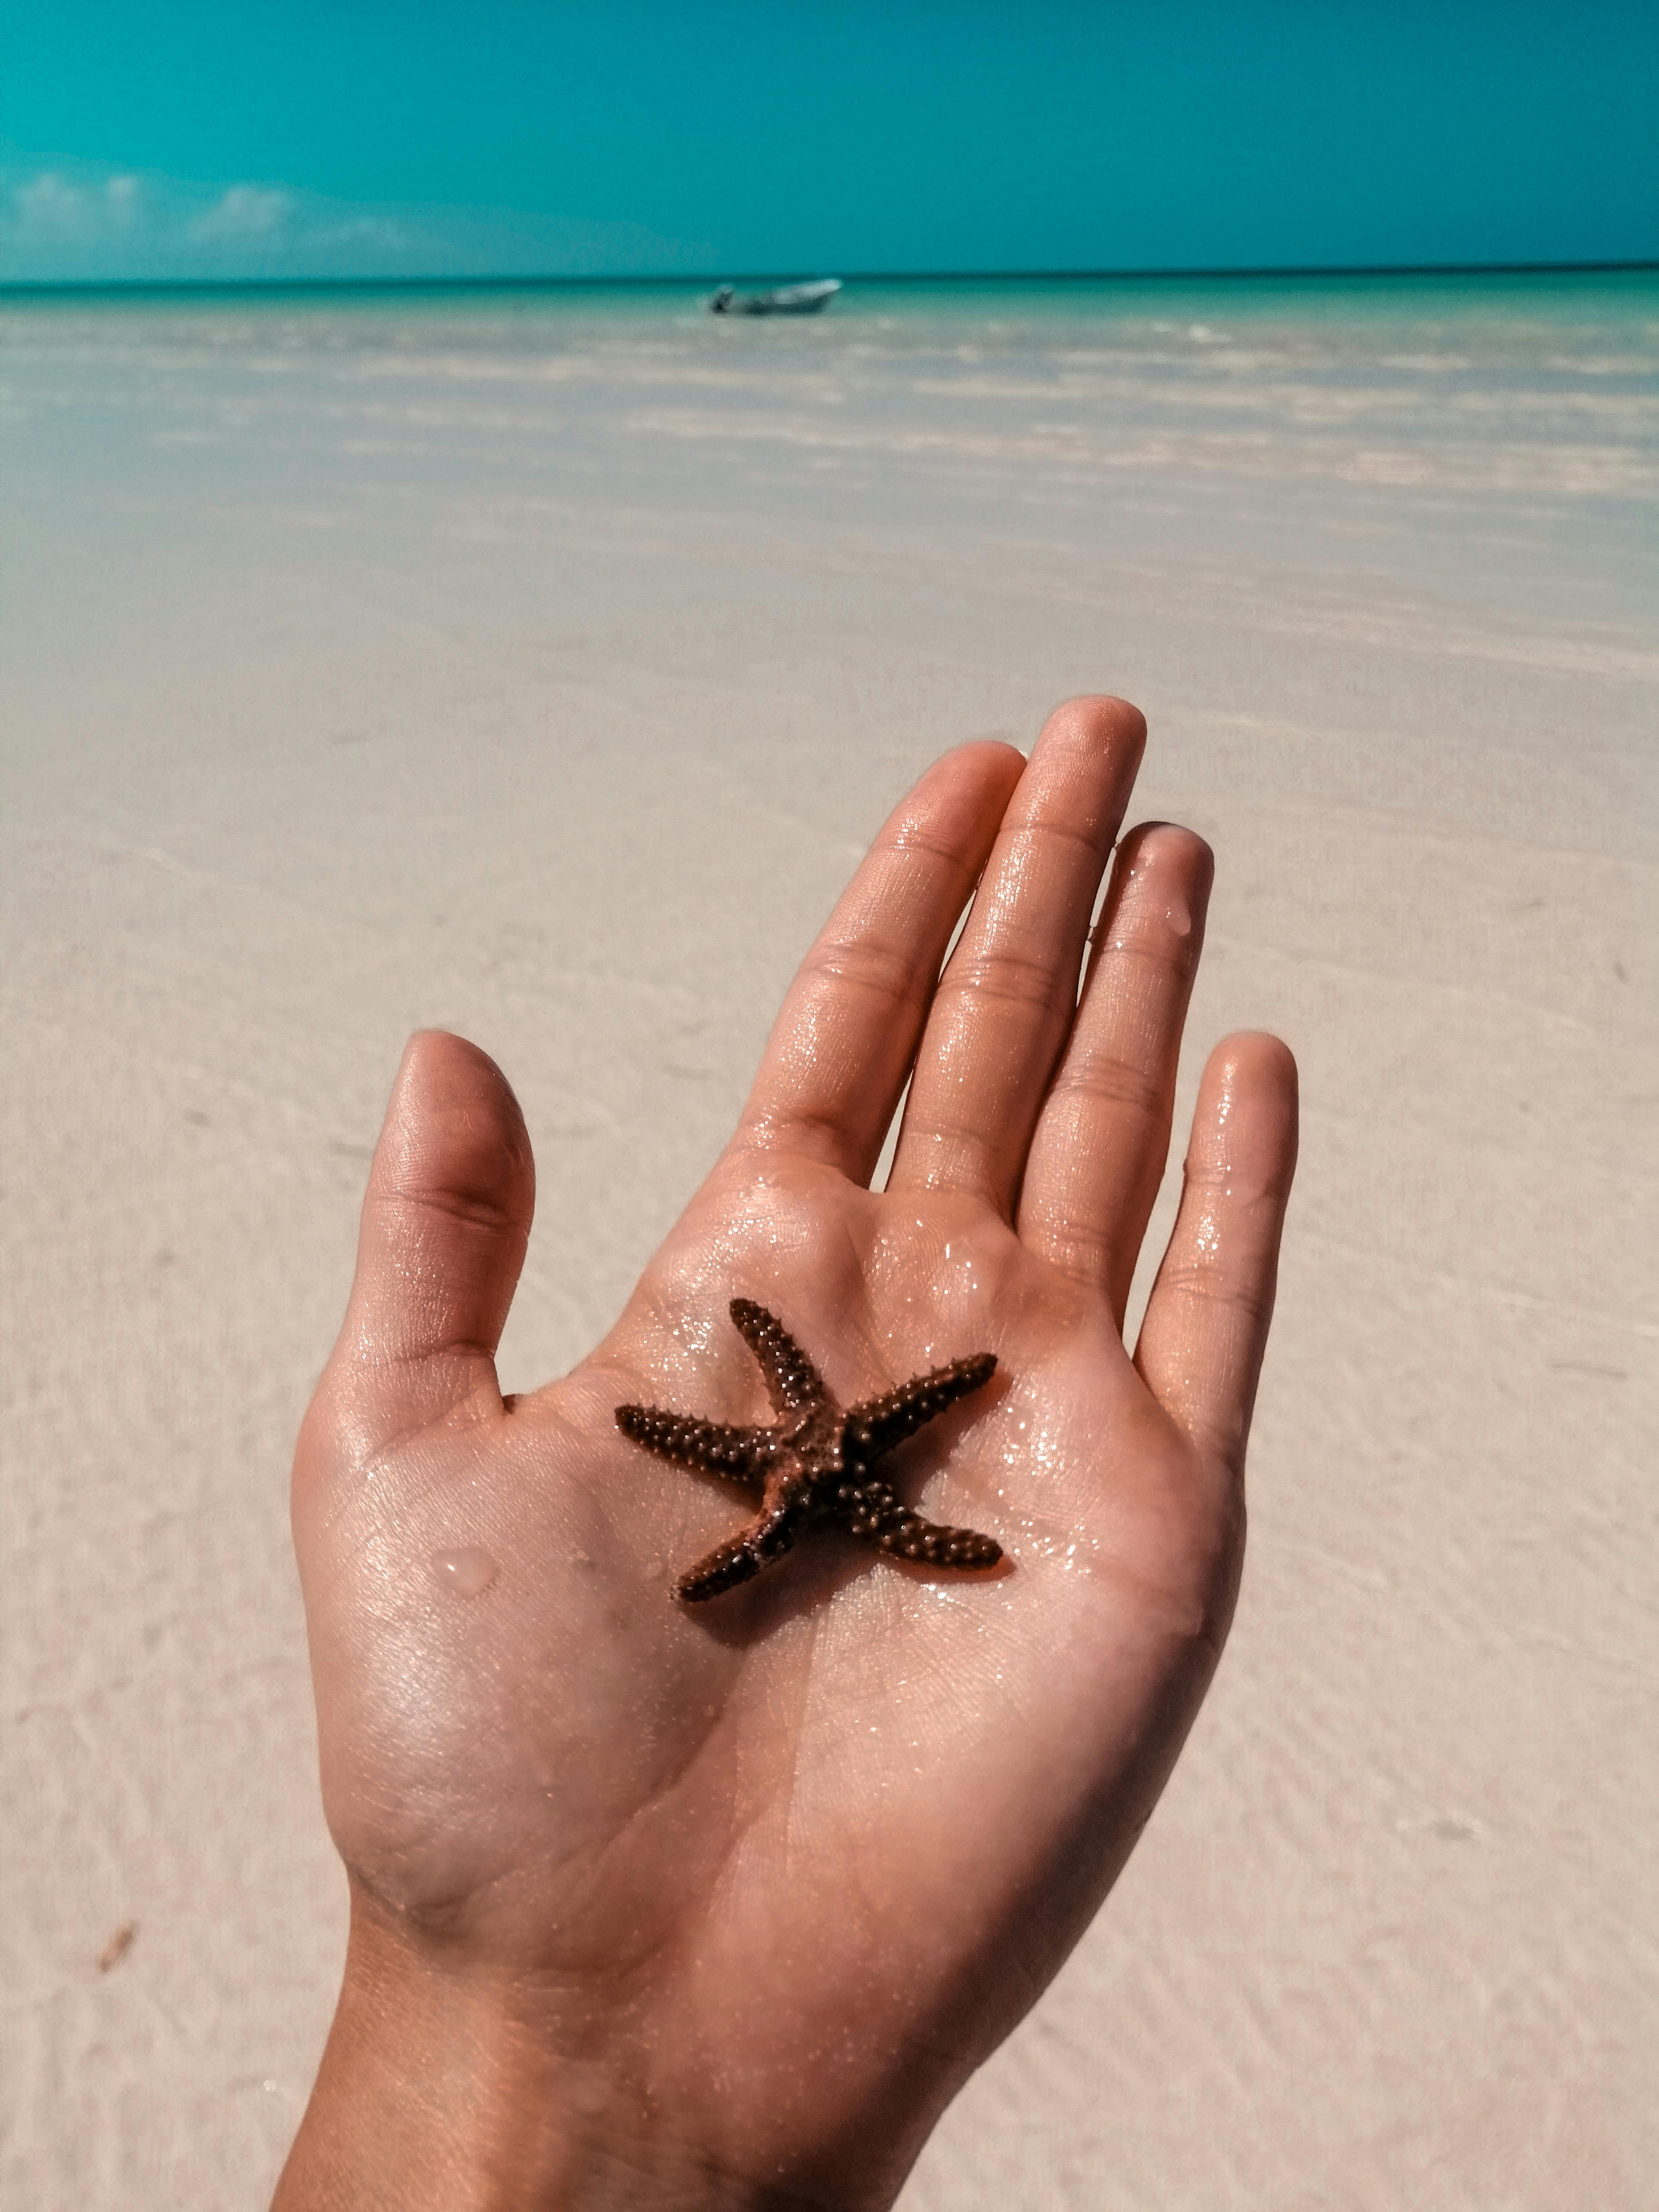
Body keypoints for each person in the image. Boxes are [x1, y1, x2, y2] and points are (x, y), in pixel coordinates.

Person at [274, 696, 1298, 2209]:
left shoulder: (824, 1470)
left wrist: (497, 2031)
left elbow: (839, 1452)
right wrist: (517, 2020)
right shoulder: (815, 1476)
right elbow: (824, 1458)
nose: (815, 1493)